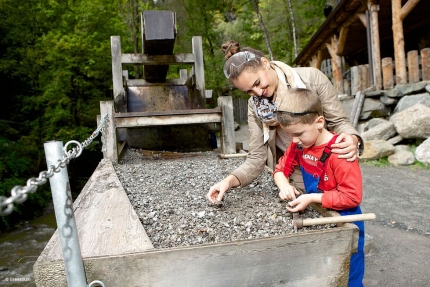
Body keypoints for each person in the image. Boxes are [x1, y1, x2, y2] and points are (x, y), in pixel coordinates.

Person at [207, 40, 362, 204]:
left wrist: (352, 137)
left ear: (265, 63)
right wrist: (228, 181)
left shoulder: (312, 79)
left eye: (258, 83)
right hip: (292, 172)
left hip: (327, 168)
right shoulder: (254, 105)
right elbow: (256, 157)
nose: (259, 93)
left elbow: (338, 121)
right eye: (249, 91)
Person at [273, 88, 364, 286]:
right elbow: (280, 169)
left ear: (319, 122)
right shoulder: (299, 145)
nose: (294, 141)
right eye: (290, 136)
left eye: (298, 134)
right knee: (323, 272)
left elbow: (352, 197)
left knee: (348, 272)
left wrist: (311, 198)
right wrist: (284, 186)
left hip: (347, 219)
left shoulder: (340, 152)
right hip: (321, 215)